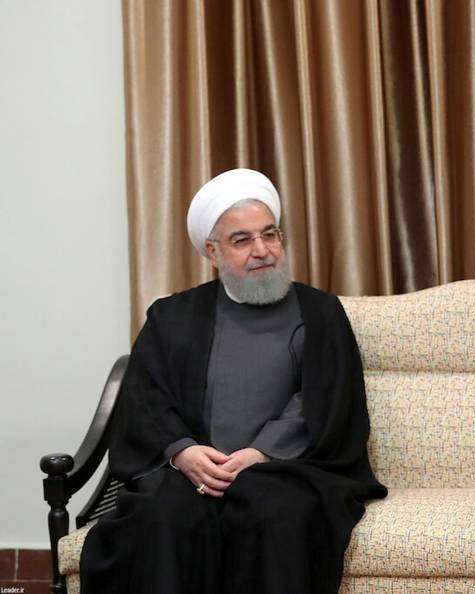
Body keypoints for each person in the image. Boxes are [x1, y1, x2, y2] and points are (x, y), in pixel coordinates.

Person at [80, 168, 386, 594]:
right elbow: (146, 399)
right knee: (161, 515)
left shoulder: (321, 312)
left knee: (276, 513)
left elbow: (327, 399)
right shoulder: (171, 317)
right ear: (213, 250)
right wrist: (183, 452)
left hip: (287, 469)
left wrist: (262, 452)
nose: (262, 250)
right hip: (190, 472)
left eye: (270, 235)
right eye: (242, 240)